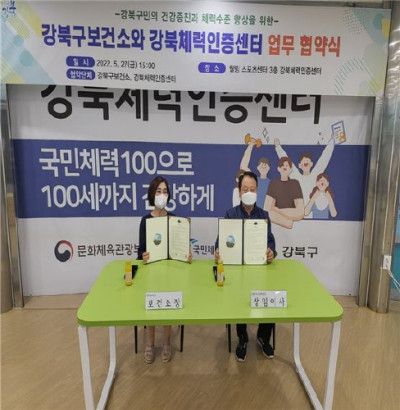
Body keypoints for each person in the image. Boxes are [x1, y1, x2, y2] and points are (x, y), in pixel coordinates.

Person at [215, 171, 276, 362]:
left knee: (270, 293)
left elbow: (271, 242)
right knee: (237, 296)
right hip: (238, 271)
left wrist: (271, 252)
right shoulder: (230, 214)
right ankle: (242, 338)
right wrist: (218, 251)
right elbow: (220, 242)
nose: (249, 192)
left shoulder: (264, 215)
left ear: (257, 191)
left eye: (252, 189)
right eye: (245, 189)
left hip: (259, 269)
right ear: (239, 192)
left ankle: (263, 337)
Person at [138, 176, 192, 364]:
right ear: (152, 194)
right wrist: (144, 256)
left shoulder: (175, 220)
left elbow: (181, 249)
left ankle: (167, 343)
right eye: (159, 191)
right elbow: (140, 252)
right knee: (152, 304)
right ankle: (150, 344)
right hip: (151, 272)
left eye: (165, 191)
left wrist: (187, 255)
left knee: (169, 303)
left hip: (171, 272)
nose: (162, 195)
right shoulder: (145, 220)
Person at [274, 137, 334, 217]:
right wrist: (278, 147)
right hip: (297, 215)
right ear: (299, 165)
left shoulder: (315, 176)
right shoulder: (296, 176)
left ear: (311, 164)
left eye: (307, 160)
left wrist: (332, 142)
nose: (305, 160)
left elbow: (324, 159)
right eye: (303, 161)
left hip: (312, 215)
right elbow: (286, 161)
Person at [264, 157, 304, 229]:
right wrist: (287, 220)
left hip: (295, 226)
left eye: (287, 165)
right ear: (278, 169)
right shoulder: (274, 183)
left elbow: (300, 212)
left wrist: (277, 210)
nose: (284, 167)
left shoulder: (295, 183)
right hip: (276, 225)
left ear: (291, 169)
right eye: (282, 165)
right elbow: (267, 209)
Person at [232, 136, 271, 207]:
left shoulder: (271, 183)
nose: (264, 165)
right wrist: (251, 145)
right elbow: (243, 166)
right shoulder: (254, 180)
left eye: (266, 164)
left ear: (269, 168)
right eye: (261, 164)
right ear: (257, 167)